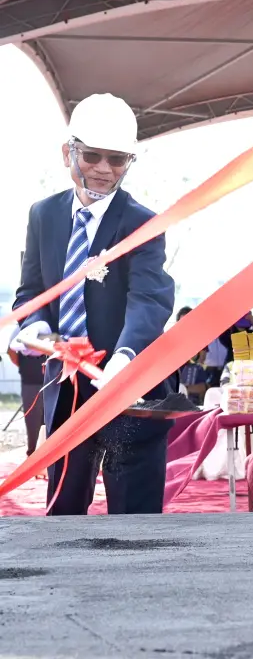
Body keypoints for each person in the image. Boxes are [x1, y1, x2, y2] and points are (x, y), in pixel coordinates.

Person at [9, 93, 175, 515]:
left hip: (127, 389)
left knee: (133, 520)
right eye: (93, 156)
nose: (103, 169)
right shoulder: (42, 214)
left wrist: (125, 355)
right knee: (62, 513)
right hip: (64, 388)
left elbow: (150, 299)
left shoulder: (143, 223)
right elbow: (31, 291)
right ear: (69, 152)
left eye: (117, 160)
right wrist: (33, 325)